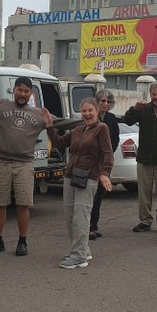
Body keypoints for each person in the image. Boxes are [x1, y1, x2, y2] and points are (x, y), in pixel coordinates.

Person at [0, 62, 78, 257]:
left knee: (23, 205)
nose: (23, 94)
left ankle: (22, 241)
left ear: (30, 94)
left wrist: (92, 120)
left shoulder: (39, 114)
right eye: (20, 90)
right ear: (14, 90)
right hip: (3, 162)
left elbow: (64, 121)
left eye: (27, 91)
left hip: (25, 165)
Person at [44, 99, 114, 269]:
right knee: (69, 216)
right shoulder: (77, 130)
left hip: (89, 176)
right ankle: (82, 250)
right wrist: (49, 126)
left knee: (81, 217)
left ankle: (78, 257)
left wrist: (104, 174)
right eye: (84, 111)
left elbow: (108, 154)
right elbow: (59, 142)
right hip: (71, 176)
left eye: (90, 110)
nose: (87, 114)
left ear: (97, 111)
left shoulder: (101, 128)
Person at [121, 82, 157, 234]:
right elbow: (128, 120)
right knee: (144, 192)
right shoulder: (144, 109)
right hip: (144, 157)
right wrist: (134, 109)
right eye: (154, 94)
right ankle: (145, 221)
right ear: (150, 95)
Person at [88, 89, 121, 240]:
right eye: (102, 101)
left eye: (108, 101)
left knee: (99, 196)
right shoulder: (91, 117)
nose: (105, 104)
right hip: (90, 162)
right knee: (88, 195)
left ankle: (93, 227)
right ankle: (85, 226)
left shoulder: (112, 119)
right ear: (97, 102)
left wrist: (107, 155)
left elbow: (115, 139)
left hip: (104, 163)